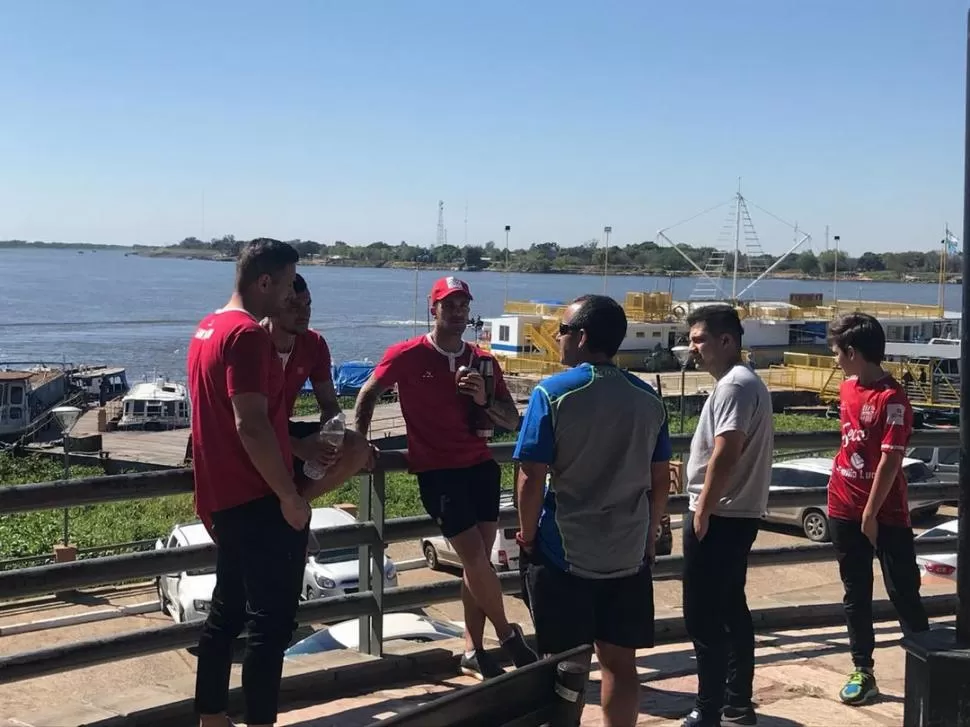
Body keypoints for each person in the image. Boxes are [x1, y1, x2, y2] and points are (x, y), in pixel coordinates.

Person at [354, 276, 537, 679]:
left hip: (480, 468)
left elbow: (512, 419)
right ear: (432, 310)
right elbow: (368, 393)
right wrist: (361, 444)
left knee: (479, 566)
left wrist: (483, 399)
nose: (456, 313)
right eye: (448, 305)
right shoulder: (406, 354)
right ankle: (508, 637)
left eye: (462, 306)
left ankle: (473, 649)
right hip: (438, 471)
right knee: (474, 559)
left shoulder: (483, 361)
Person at [514, 294, 672, 727]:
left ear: (581, 337)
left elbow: (530, 477)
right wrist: (649, 537)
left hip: (565, 553)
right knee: (621, 663)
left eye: (562, 330)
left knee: (564, 666)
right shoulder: (648, 399)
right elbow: (661, 480)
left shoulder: (552, 394)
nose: (557, 338)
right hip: (628, 554)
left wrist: (527, 536)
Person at [187, 238, 310, 727]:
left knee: (226, 614)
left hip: (223, 497)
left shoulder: (207, 328)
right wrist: (290, 496)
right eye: (285, 286)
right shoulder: (248, 337)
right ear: (264, 281)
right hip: (258, 499)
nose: (289, 298)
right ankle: (260, 722)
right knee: (270, 625)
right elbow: (251, 424)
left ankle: (212, 717)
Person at [826, 313, 929, 706]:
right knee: (856, 592)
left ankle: (925, 663)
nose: (835, 359)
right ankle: (862, 668)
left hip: (885, 514)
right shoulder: (846, 389)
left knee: (903, 589)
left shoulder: (893, 398)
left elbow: (890, 462)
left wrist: (870, 513)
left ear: (853, 352)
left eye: (837, 352)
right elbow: (849, 444)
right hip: (841, 506)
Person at [681, 304, 773, 727]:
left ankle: (709, 706)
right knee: (731, 608)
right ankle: (737, 701)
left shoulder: (734, 386)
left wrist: (703, 509)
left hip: (721, 515)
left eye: (699, 339)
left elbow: (727, 449)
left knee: (703, 615)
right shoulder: (745, 382)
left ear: (727, 341)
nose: (692, 348)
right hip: (737, 514)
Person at [262, 273, 375, 499]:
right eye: (294, 305)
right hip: (249, 433)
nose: (304, 312)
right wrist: (299, 447)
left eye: (308, 304)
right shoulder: (251, 341)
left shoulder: (313, 343)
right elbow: (245, 422)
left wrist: (332, 435)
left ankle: (297, 502)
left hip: (283, 428)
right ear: (272, 305)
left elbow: (329, 403)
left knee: (358, 446)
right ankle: (289, 505)